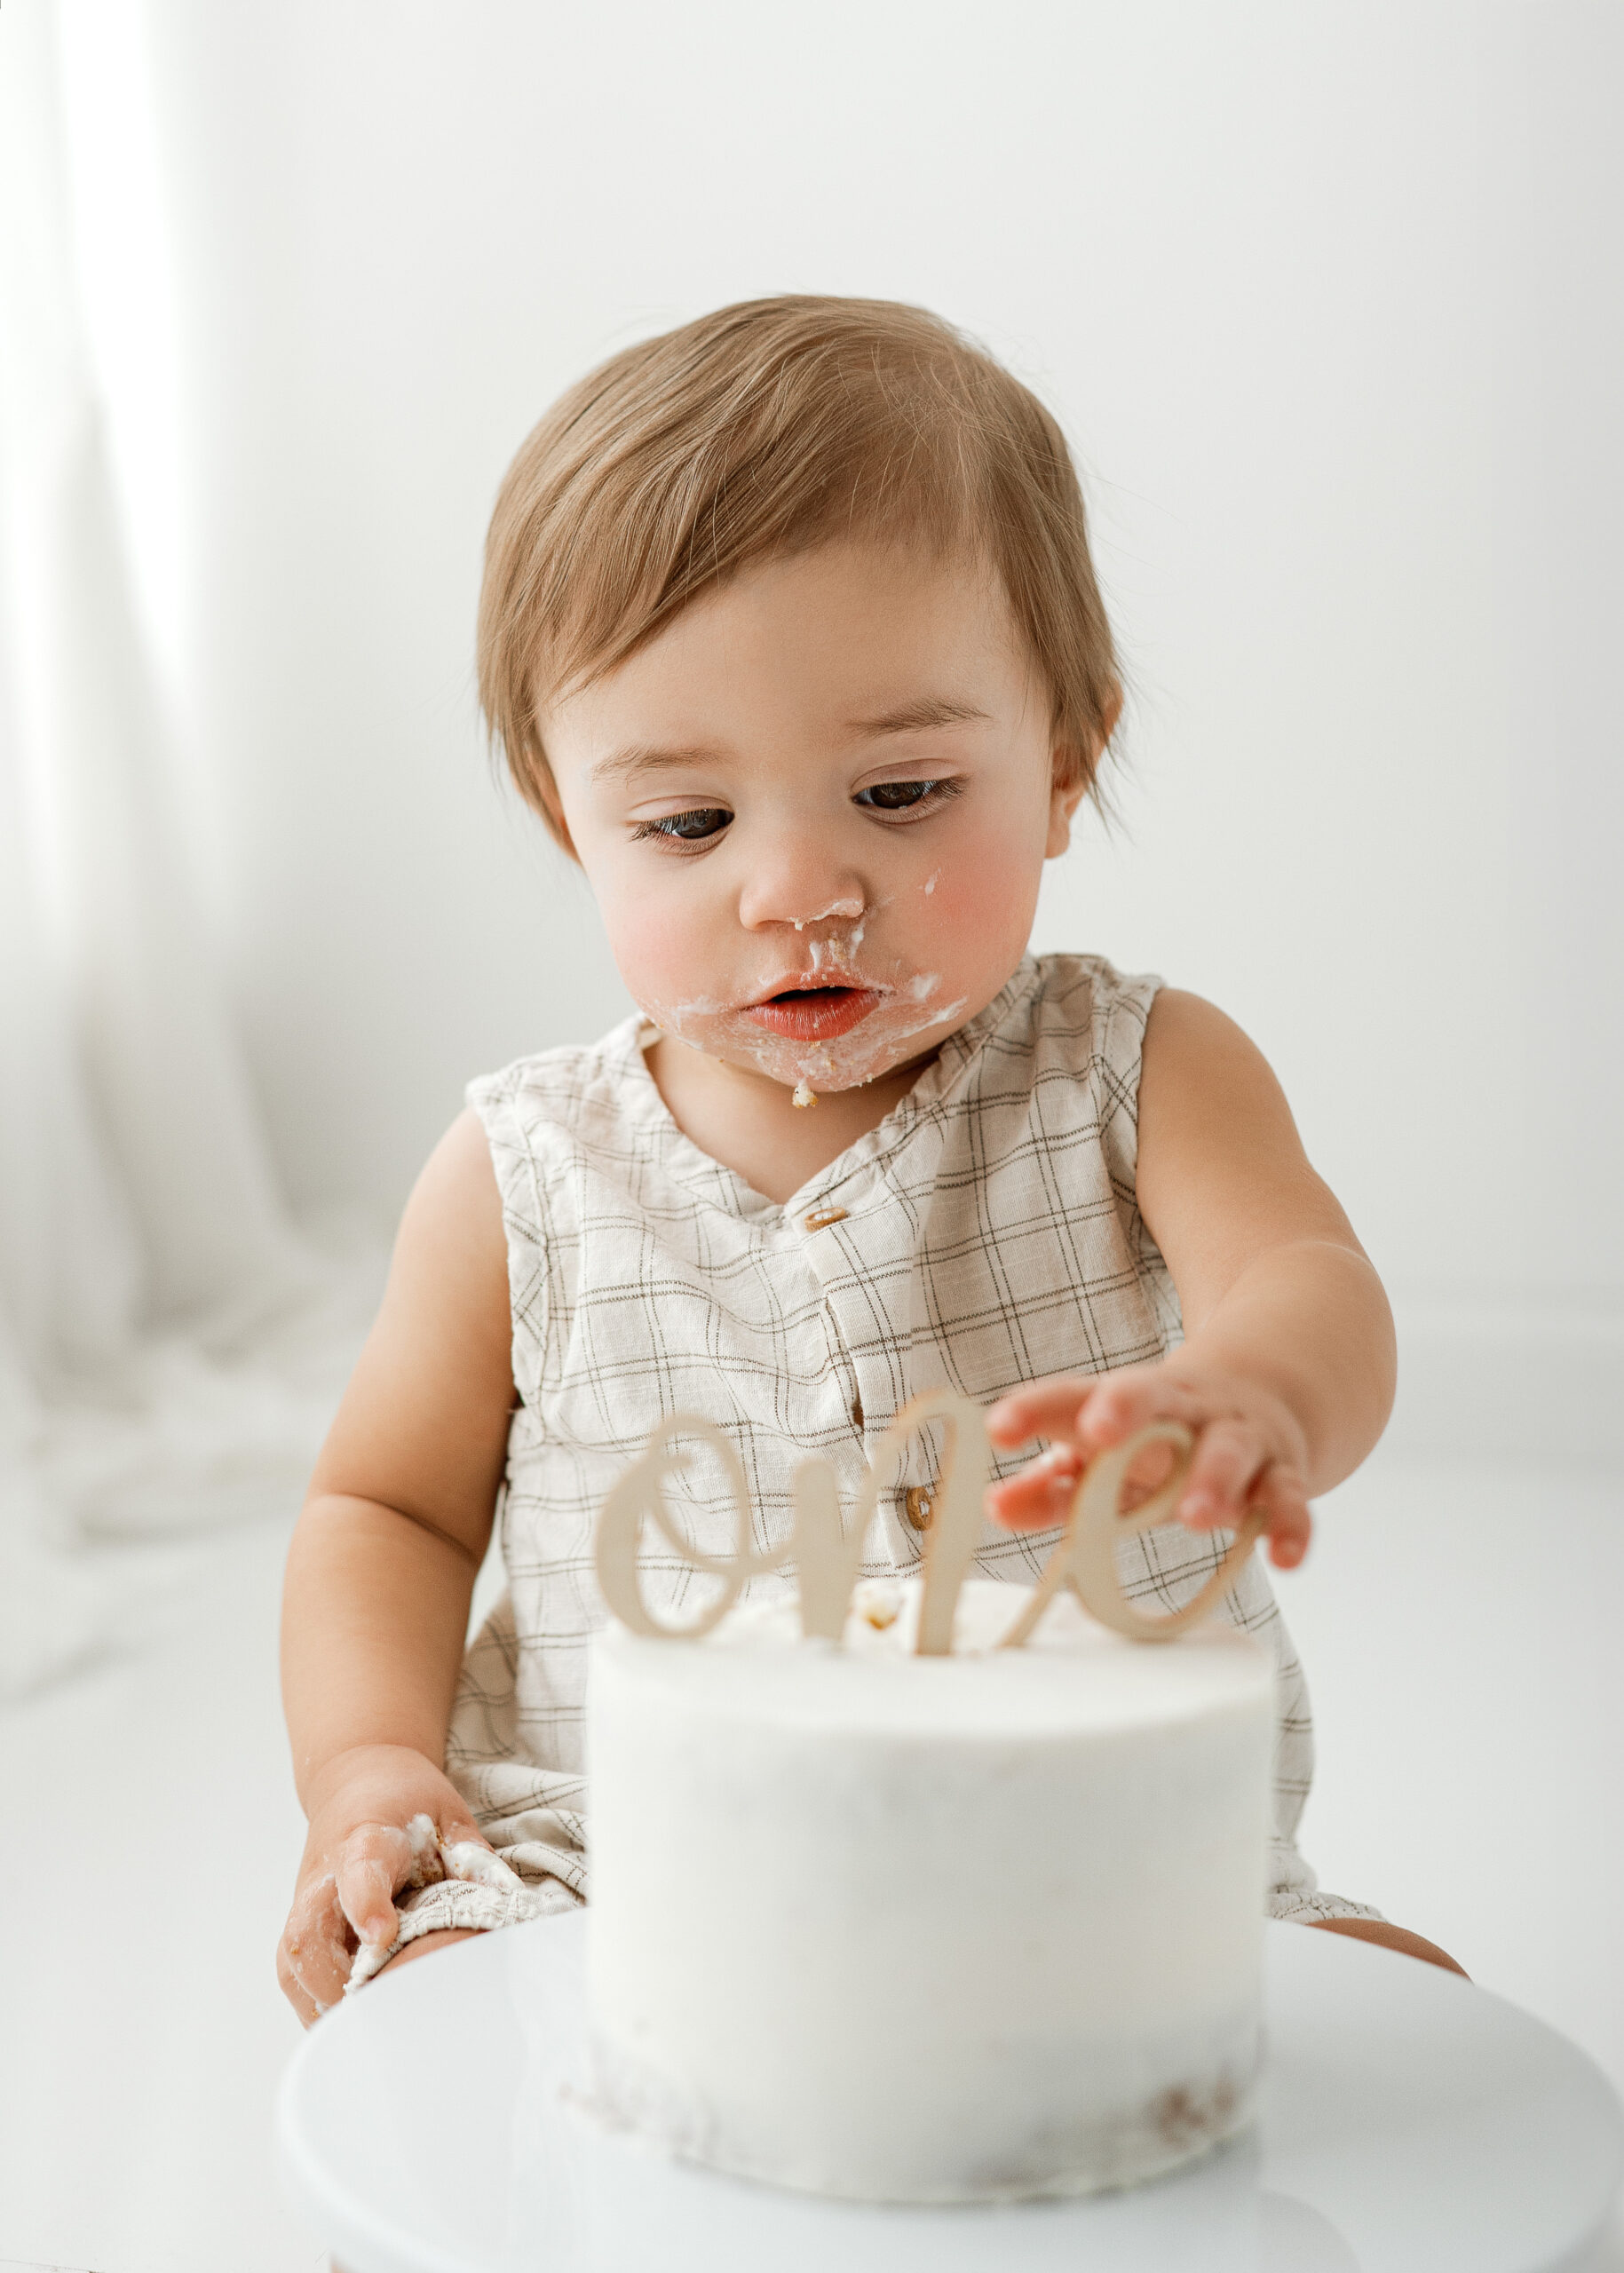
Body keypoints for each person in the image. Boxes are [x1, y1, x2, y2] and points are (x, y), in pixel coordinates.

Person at [277, 297, 1462, 2024]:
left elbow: (1308, 1280)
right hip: (618, 1854)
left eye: (900, 794)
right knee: (428, 1999)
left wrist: (1258, 1390)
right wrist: (367, 1765)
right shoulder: (520, 1173)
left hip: (1100, 1838)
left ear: (1064, 760)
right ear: (566, 815)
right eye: (688, 821)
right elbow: (381, 1505)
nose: (798, 891)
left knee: (1410, 2015)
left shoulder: (1136, 1074)